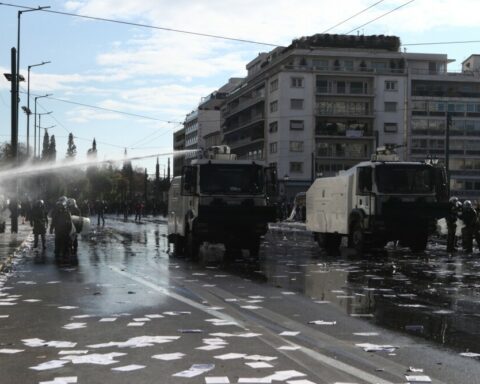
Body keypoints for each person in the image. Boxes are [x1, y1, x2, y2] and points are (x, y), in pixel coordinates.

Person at [50, 199, 73, 264]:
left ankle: (65, 256)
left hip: (65, 231)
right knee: (58, 242)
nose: (60, 208)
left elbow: (70, 222)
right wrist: (51, 229)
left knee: (66, 244)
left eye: (61, 206)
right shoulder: (57, 213)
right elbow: (53, 221)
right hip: (58, 230)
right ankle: (57, 254)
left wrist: (69, 229)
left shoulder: (67, 213)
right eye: (59, 207)